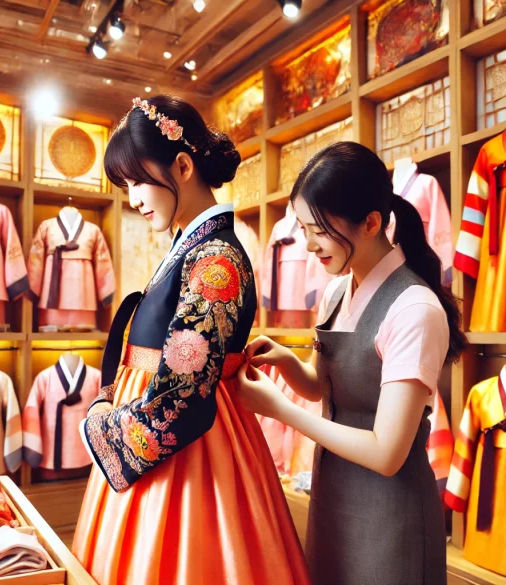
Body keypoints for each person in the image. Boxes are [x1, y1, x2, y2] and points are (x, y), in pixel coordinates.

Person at [72, 95, 310, 585]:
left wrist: (103, 423)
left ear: (181, 166)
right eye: (125, 184)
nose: (133, 197)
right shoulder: (192, 248)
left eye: (138, 181)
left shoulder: (215, 259)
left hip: (194, 449)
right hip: (167, 438)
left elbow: (183, 393)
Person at [237, 141, 466, 585]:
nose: (308, 245)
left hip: (390, 515)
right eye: (304, 228)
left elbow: (386, 453)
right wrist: (286, 364)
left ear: (371, 223)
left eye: (319, 230)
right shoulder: (338, 291)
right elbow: (330, 390)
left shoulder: (415, 308)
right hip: (332, 499)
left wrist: (280, 410)